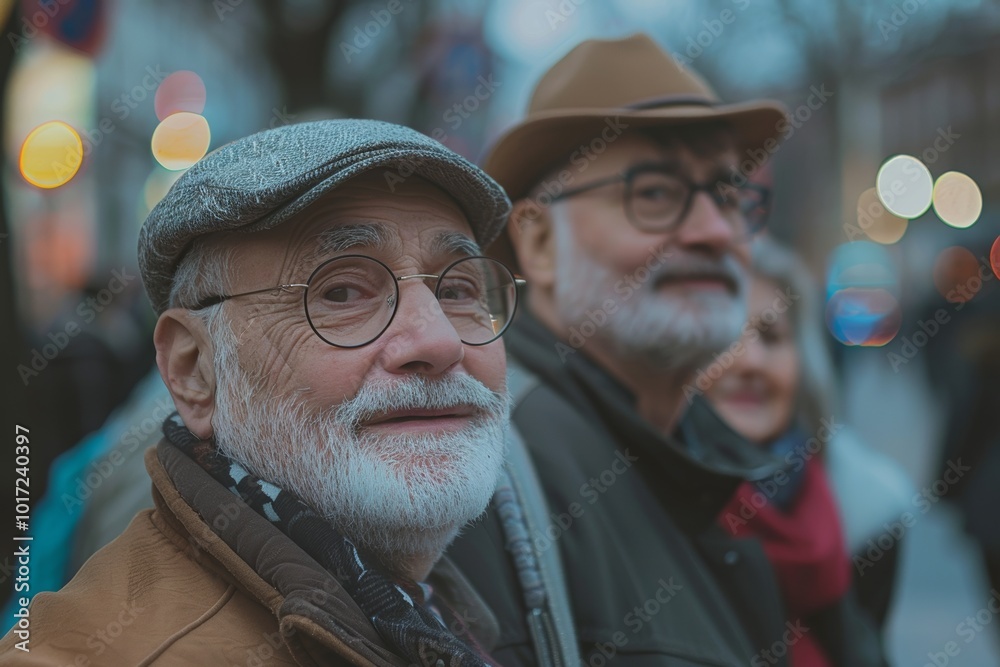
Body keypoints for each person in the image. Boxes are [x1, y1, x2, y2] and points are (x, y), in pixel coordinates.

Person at [0, 119, 524, 666]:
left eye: (459, 289)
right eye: (342, 292)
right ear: (194, 369)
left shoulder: (424, 603)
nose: (439, 340)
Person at [447, 33, 800, 666]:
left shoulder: (700, 454)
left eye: (726, 195)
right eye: (656, 193)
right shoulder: (483, 480)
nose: (714, 232)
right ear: (540, 242)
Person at [704, 236, 895, 665]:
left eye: (771, 337)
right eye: (724, 336)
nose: (749, 361)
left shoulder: (865, 517)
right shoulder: (648, 507)